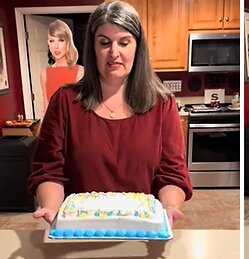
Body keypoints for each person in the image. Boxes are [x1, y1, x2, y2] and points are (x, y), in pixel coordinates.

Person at [28, 1, 193, 228]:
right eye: (104, 43)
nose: (114, 52)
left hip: (143, 230)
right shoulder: (64, 102)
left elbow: (172, 173)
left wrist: (170, 208)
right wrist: (51, 207)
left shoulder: (162, 105)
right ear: (92, 48)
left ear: (137, 47)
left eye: (124, 42)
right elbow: (49, 169)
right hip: (79, 231)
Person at [40, 19, 84, 112]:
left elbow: (84, 108)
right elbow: (46, 107)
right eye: (52, 41)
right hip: (53, 124)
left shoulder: (80, 71)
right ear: (48, 43)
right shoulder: (45, 73)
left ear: (68, 42)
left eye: (60, 40)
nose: (56, 46)